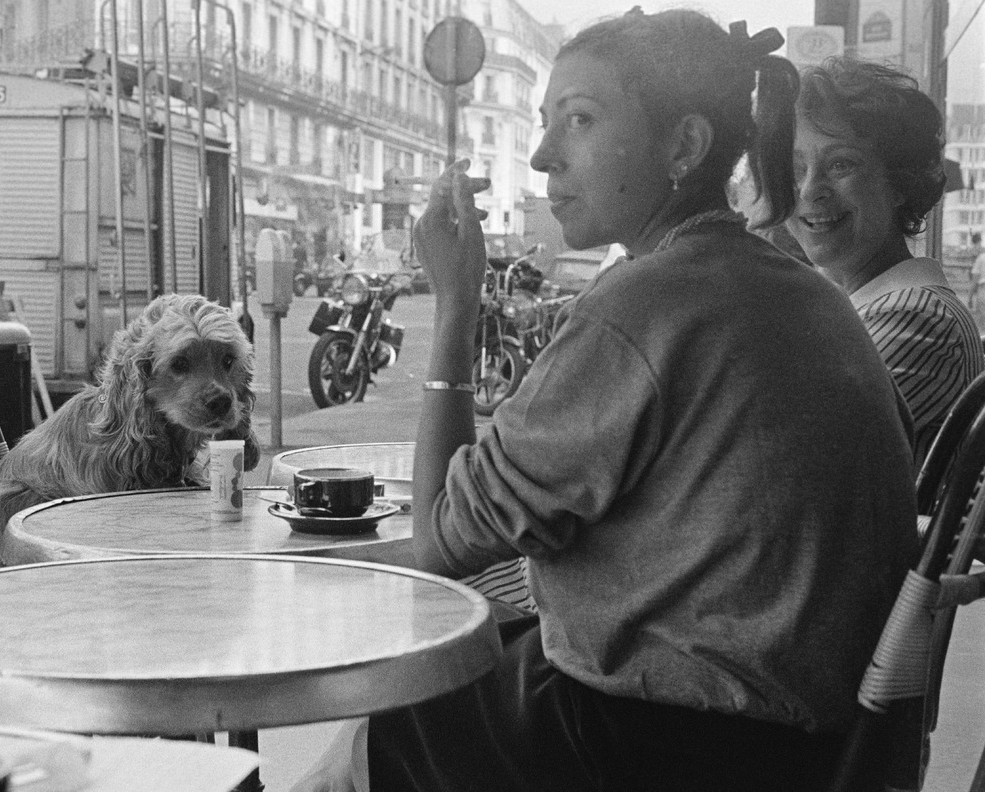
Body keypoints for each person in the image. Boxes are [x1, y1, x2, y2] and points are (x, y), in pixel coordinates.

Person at [293, 9, 917, 792]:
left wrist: (456, 305)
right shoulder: (792, 289)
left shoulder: (646, 301)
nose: (544, 153)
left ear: (683, 146)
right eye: (544, 122)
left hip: (682, 748)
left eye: (580, 120)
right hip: (819, 746)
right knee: (467, 668)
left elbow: (438, 544)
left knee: (401, 705)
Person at [785, 57, 983, 468]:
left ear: (899, 182)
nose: (810, 190)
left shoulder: (918, 317)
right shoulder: (848, 310)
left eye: (841, 164)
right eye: (794, 168)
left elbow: (786, 470)